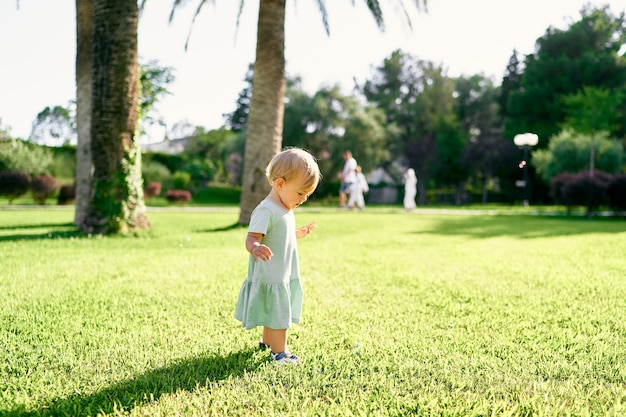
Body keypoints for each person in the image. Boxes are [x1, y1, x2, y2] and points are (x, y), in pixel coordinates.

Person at [234, 148, 321, 365]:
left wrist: (298, 233)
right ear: (280, 184)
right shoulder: (266, 210)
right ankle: (280, 353)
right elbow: (252, 237)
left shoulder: (285, 208)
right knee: (278, 312)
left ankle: (267, 342)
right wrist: (255, 248)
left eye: (307, 195)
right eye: (300, 193)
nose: (303, 199)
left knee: (272, 307)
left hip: (281, 272)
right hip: (271, 273)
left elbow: (280, 235)